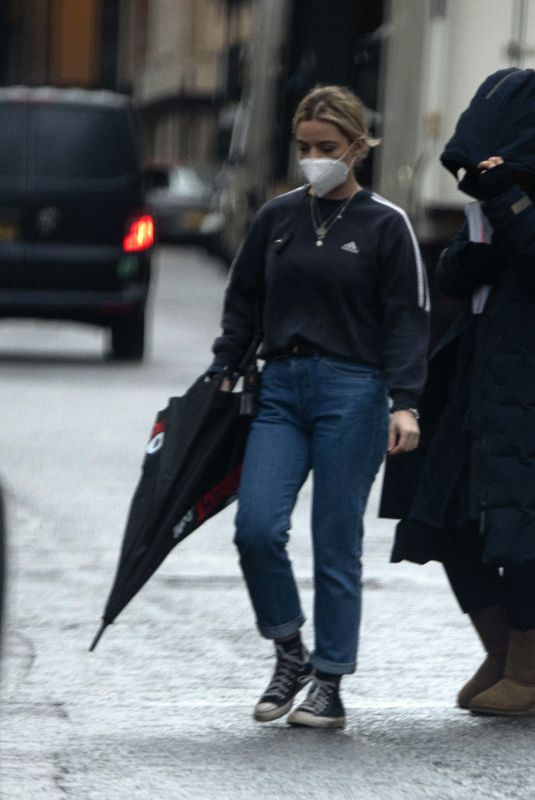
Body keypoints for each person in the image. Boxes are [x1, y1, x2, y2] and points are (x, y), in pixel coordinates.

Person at [208, 85, 430, 728]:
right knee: (255, 528)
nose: (313, 158)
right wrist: (224, 369)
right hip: (280, 387)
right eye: (304, 147)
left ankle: (330, 680)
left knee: (336, 540)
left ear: (359, 146)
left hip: (353, 393)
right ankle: (289, 651)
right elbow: (242, 300)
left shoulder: (386, 224)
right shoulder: (276, 219)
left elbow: (406, 321)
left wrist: (406, 403)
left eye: (327, 148)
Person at [392, 68, 535, 717]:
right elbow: (450, 278)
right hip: (475, 389)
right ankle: (502, 650)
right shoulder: (488, 207)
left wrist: (510, 201)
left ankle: (529, 670)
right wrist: (486, 218)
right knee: (441, 516)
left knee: (522, 528)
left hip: (524, 395)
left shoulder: (512, 203)